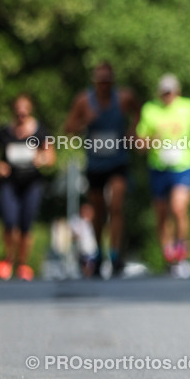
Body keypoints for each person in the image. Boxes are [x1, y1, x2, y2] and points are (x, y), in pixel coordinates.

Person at [64, 62, 140, 276]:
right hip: (96, 163)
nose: (104, 85)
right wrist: (83, 122)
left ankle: (115, 254)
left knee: (116, 205)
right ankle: (98, 253)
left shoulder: (124, 97)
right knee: (99, 210)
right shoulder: (83, 101)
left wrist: (133, 130)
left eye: (107, 81)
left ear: (113, 81)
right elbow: (68, 128)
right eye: (100, 81)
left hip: (118, 160)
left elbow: (138, 110)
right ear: (94, 82)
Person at [135, 74, 190, 278]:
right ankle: (168, 256)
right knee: (161, 214)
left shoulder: (189, 107)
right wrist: (152, 140)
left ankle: (182, 254)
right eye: (164, 92)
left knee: (178, 208)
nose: (167, 96)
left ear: (177, 91)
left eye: (171, 92)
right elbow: (140, 143)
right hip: (159, 166)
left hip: (183, 165)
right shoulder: (150, 109)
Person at [0, 94, 56, 281]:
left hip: (32, 183)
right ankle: (8, 260)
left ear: (29, 110)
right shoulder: (5, 132)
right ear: (14, 110)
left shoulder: (40, 131)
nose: (22, 113)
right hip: (9, 183)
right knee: (9, 221)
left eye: (25, 109)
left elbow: (51, 157)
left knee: (25, 225)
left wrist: (42, 159)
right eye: (18, 109)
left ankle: (23, 264)